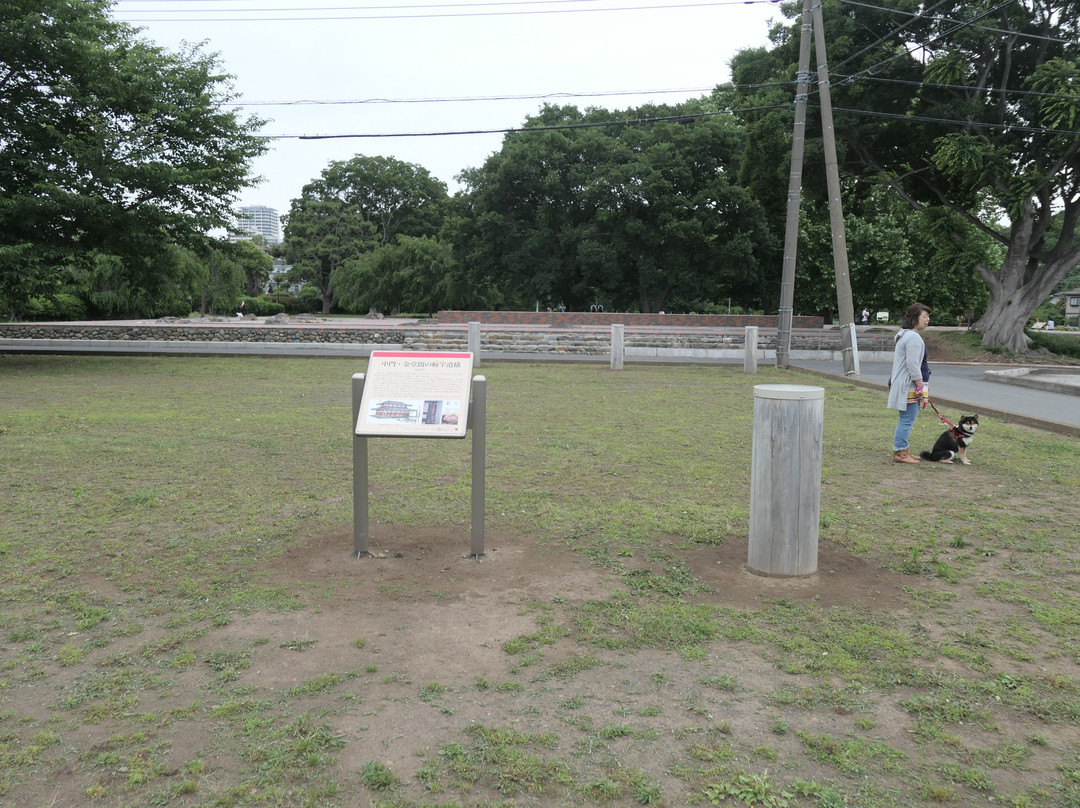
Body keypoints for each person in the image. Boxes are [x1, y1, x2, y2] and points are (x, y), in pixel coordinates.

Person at [887, 302, 931, 463]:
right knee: (907, 419)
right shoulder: (912, 337)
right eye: (924, 316)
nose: (927, 320)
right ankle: (900, 453)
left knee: (907, 419)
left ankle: (903, 450)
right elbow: (913, 364)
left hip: (905, 383)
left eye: (928, 317)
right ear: (914, 318)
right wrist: (920, 385)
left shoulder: (905, 334)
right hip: (908, 385)